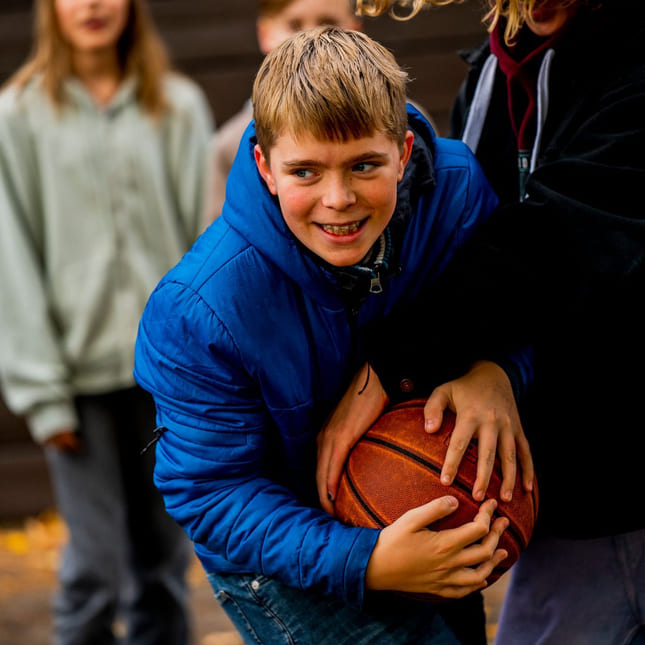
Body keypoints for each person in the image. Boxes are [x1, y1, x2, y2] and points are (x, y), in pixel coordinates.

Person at [133, 25, 534, 645]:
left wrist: (497, 369)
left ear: (404, 152)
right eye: (306, 172)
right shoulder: (199, 310)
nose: (338, 198)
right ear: (265, 167)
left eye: (365, 165)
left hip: (411, 496)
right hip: (283, 552)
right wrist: (367, 562)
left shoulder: (455, 192)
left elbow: (522, 304)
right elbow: (213, 493)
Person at [333, 1, 645, 644]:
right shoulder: (494, 71)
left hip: (622, 475)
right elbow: (484, 246)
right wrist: (490, 364)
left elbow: (563, 239)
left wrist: (393, 365)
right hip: (573, 480)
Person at [0, 1, 212, 643]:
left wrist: (204, 370)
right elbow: (12, 254)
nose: (92, 4)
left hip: (165, 379)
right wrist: (42, 390)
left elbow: (203, 242)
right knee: (93, 568)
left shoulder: (175, 104)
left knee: (164, 567)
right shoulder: (19, 115)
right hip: (76, 382)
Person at [205, 0, 363, 224]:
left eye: (329, 24)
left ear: (356, 31)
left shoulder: (400, 120)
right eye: (294, 25)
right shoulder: (230, 145)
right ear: (265, 35)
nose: (312, 38)